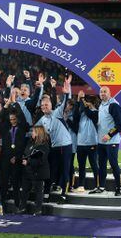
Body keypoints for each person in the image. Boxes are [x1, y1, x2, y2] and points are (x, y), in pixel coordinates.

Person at [36, 75, 72, 203]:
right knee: (52, 170)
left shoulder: (57, 112)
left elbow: (64, 102)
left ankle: (64, 194)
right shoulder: (41, 120)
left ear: (51, 105)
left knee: (65, 169)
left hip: (66, 145)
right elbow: (35, 134)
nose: (45, 106)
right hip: (54, 147)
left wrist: (66, 94)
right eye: (43, 105)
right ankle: (47, 193)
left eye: (47, 104)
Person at [91, 86, 121, 196]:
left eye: (105, 91)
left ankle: (119, 188)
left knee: (114, 164)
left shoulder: (113, 105)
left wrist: (109, 135)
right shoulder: (101, 105)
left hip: (111, 141)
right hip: (101, 142)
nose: (102, 93)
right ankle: (102, 187)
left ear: (109, 93)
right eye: (101, 92)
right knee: (102, 165)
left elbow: (119, 126)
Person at [18, 126, 50, 215]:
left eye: (33, 132)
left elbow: (41, 160)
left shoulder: (44, 145)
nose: (32, 133)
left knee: (38, 191)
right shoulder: (30, 143)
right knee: (24, 191)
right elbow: (26, 153)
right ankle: (22, 208)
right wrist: (24, 158)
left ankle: (38, 210)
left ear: (38, 133)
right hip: (27, 172)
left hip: (38, 172)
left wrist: (28, 161)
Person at [73, 91, 99, 192]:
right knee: (81, 166)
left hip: (92, 143)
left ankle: (98, 185)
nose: (85, 103)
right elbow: (75, 114)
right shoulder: (82, 113)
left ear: (91, 103)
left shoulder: (96, 113)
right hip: (80, 143)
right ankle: (81, 185)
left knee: (94, 165)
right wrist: (78, 100)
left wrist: (82, 99)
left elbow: (89, 114)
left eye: (87, 102)